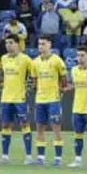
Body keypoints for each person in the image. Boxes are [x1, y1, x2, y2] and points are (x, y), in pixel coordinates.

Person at [30, 36, 68, 166]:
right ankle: (41, 157)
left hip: (53, 99)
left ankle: (58, 158)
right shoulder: (34, 62)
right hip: (40, 99)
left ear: (50, 45)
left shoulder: (57, 60)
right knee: (40, 128)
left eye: (43, 44)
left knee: (56, 128)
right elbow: (35, 81)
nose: (41, 46)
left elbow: (64, 79)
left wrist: (60, 91)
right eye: (39, 44)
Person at [0, 37, 32, 165]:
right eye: (6, 42)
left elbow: (33, 75)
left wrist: (30, 86)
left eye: (11, 42)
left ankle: (28, 156)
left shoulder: (26, 59)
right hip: (6, 97)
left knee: (24, 124)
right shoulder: (3, 59)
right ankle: (5, 156)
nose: (8, 45)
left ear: (18, 44)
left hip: (20, 98)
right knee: (6, 125)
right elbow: (1, 75)